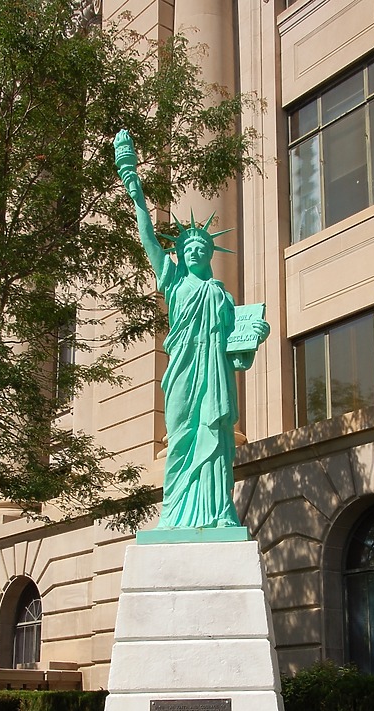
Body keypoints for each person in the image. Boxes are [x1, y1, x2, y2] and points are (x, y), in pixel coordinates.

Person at [115, 130, 269, 529]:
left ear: (210, 253)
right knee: (181, 433)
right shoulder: (172, 280)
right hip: (183, 368)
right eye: (189, 247)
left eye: (203, 246)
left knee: (216, 437)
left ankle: (218, 512)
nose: (196, 250)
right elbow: (149, 237)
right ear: (181, 255)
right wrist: (136, 193)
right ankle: (175, 513)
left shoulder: (220, 293)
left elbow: (239, 342)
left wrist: (258, 331)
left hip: (215, 372)